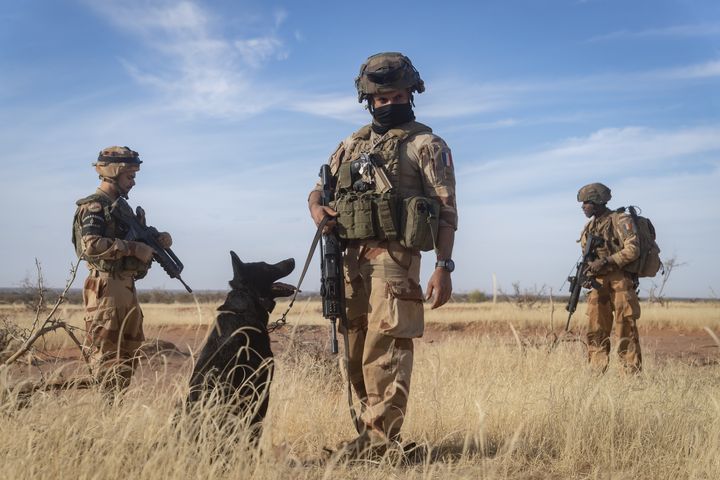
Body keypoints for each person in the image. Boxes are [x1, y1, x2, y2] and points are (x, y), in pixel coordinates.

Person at [308, 52, 458, 454]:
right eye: (381, 99)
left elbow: (446, 211)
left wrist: (443, 266)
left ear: (412, 94)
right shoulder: (351, 143)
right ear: (369, 100)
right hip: (349, 260)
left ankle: (380, 443)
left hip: (396, 261)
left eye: (398, 96)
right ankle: (367, 436)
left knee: (385, 350)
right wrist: (317, 209)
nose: (390, 104)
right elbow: (318, 190)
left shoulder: (427, 144)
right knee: (353, 352)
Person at [72, 146, 172, 398]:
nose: (133, 182)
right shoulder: (94, 207)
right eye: (130, 176)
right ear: (113, 173)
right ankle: (104, 413)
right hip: (106, 288)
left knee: (130, 351)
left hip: (126, 287)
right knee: (106, 355)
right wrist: (133, 248)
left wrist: (156, 240)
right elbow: (91, 245)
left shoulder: (122, 208)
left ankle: (115, 408)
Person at [577, 182, 642, 374]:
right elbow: (587, 259)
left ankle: (630, 376)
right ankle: (596, 371)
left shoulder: (620, 220)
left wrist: (606, 261)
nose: (583, 206)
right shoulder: (589, 228)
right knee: (595, 329)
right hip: (599, 283)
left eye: (587, 202)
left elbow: (633, 249)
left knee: (625, 329)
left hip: (620, 279)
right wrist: (587, 275)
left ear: (597, 202)